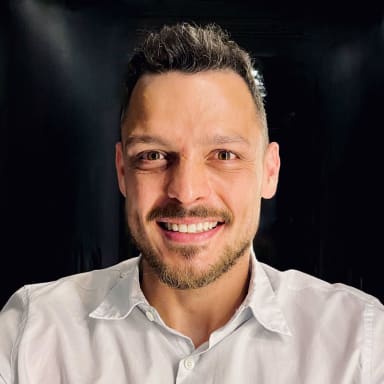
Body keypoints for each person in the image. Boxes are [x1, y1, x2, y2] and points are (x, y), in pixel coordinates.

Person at [0, 22, 383, 384]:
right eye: (153, 155)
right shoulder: (31, 332)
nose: (185, 192)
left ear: (270, 172)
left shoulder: (361, 346)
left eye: (223, 154)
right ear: (122, 172)